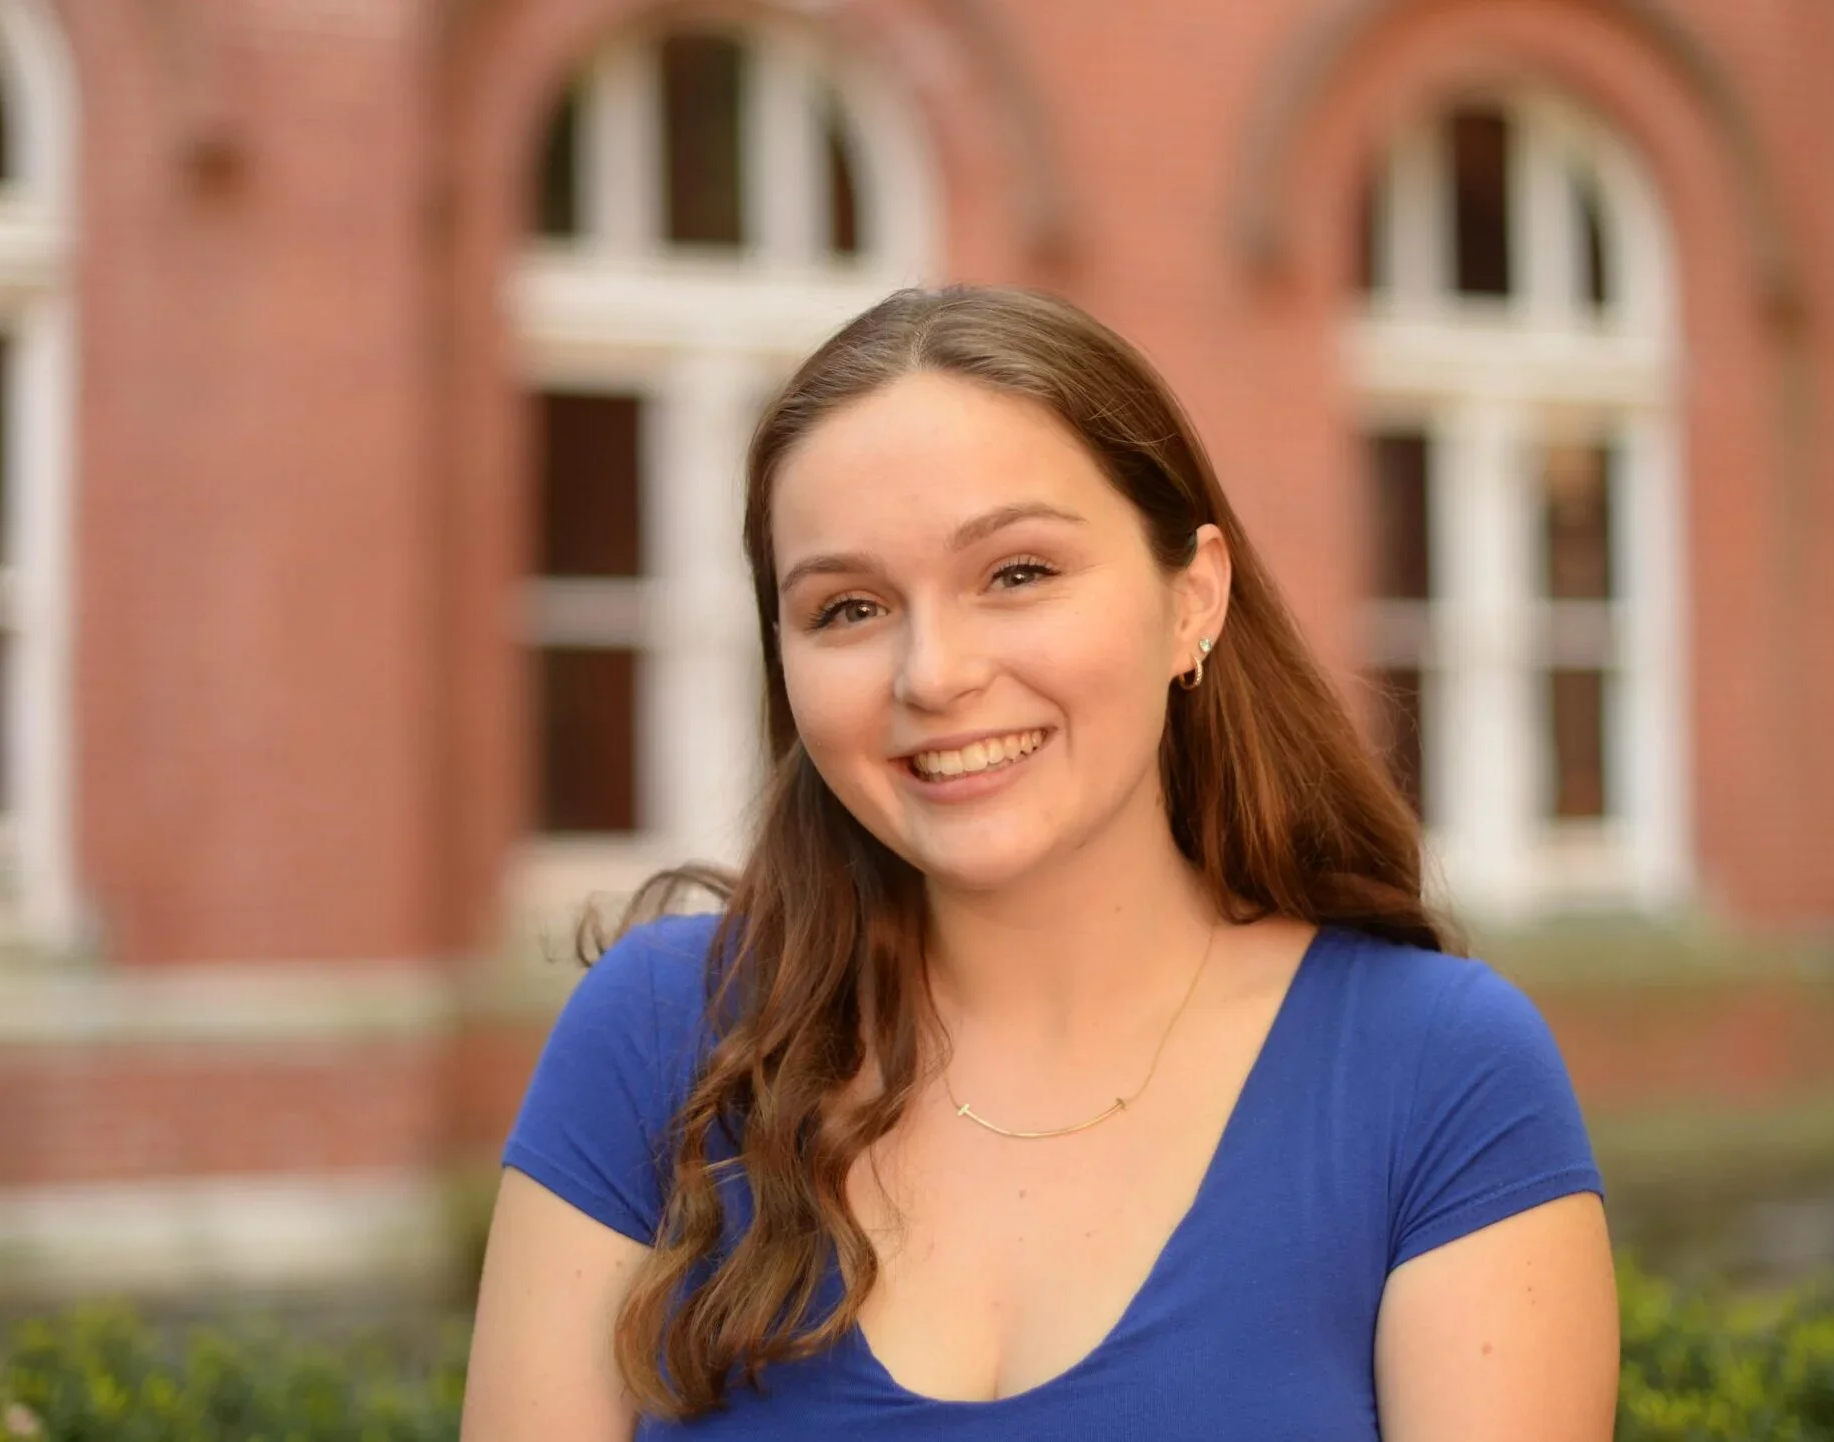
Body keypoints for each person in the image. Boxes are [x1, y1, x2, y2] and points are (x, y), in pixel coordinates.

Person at [462, 286, 1618, 1440]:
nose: (933, 672)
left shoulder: (1435, 1072)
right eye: (848, 606)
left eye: (1017, 573)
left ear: (1192, 599)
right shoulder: (668, 1038)